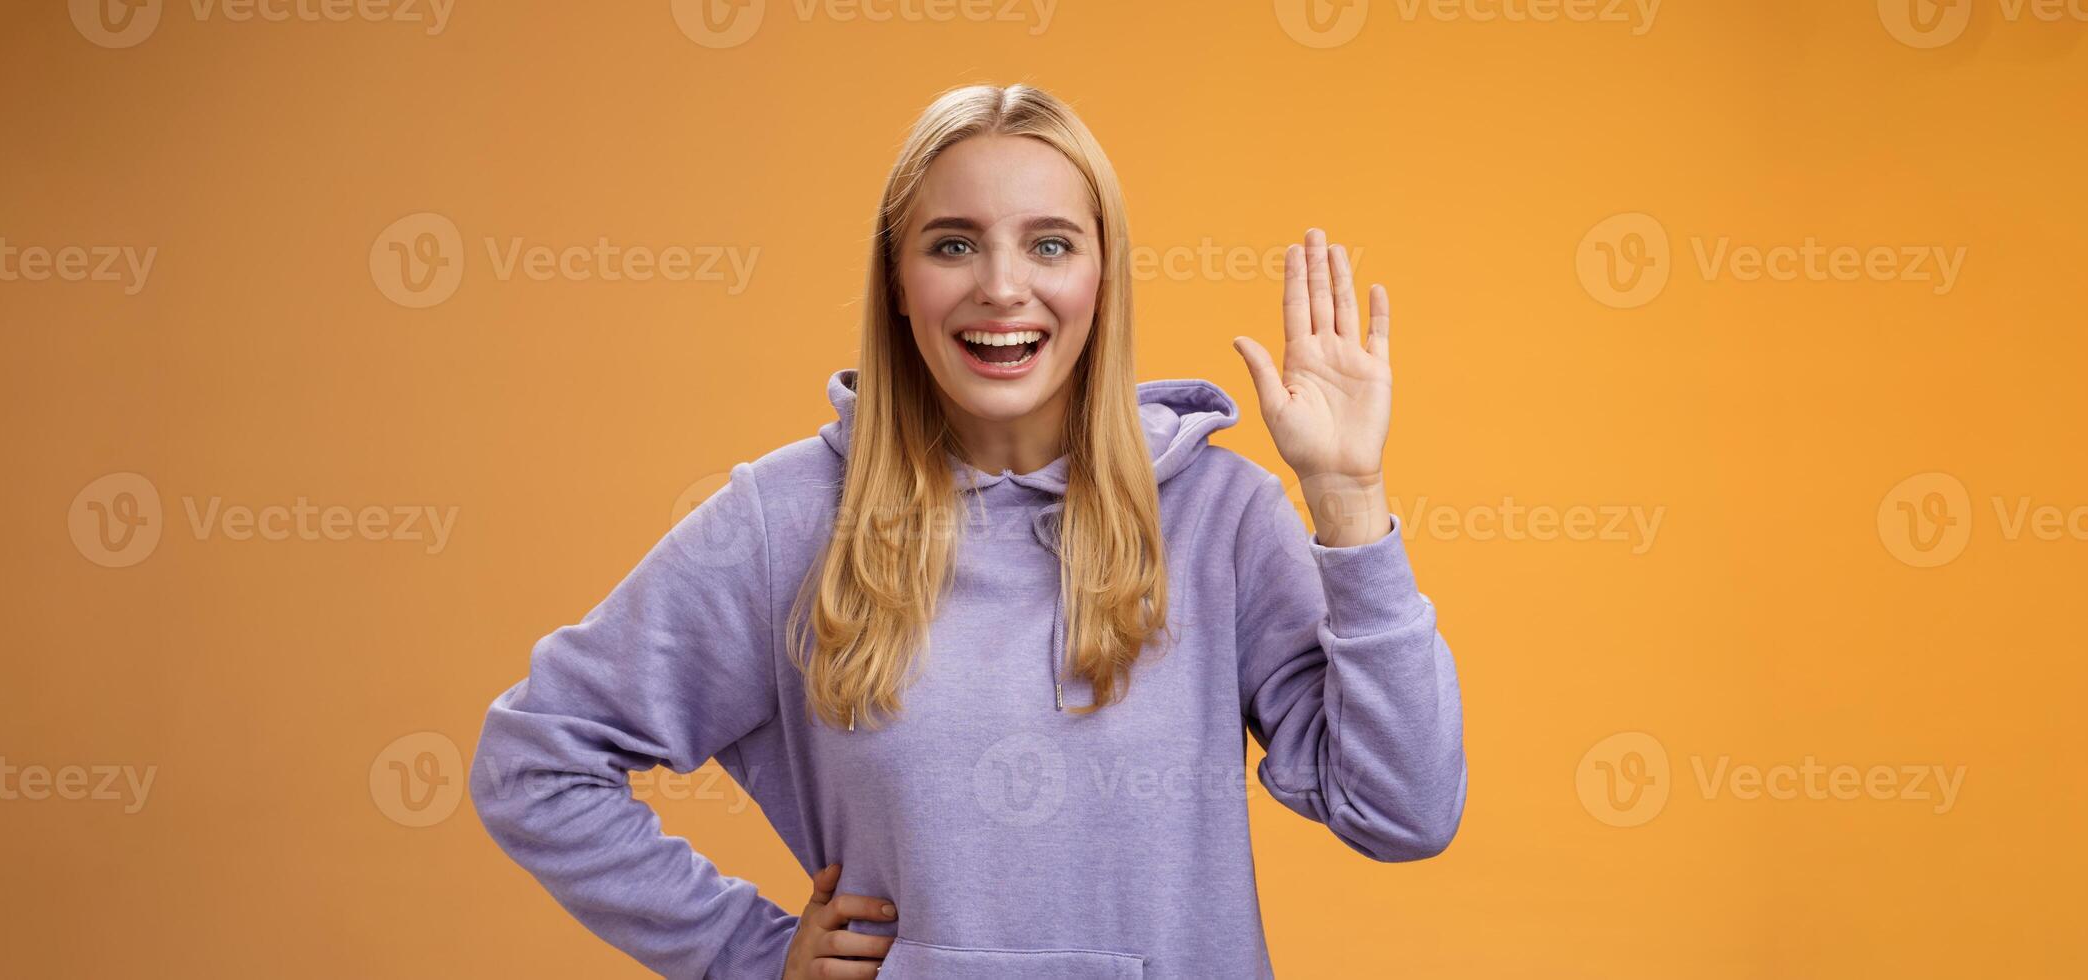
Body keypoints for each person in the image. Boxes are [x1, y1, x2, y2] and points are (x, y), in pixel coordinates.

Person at [471, 82, 1465, 979]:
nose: (1000, 285)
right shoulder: (785, 521)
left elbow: (1403, 811)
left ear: (1101, 275)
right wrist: (749, 953)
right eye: (952, 242)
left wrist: (1348, 497)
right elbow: (537, 758)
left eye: (1048, 243)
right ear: (897, 282)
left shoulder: (1222, 516)